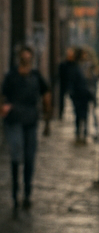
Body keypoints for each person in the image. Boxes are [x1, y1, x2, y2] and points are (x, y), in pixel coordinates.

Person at [1, 46, 51, 212]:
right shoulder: (11, 76)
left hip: (30, 121)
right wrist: (5, 107)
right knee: (16, 153)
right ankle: (16, 191)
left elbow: (46, 94)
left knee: (29, 157)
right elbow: (3, 96)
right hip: (14, 120)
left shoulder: (36, 76)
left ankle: (27, 192)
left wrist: (47, 119)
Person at [67, 48, 94, 145]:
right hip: (78, 94)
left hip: (85, 94)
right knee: (78, 114)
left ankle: (85, 133)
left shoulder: (87, 66)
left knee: (85, 114)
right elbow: (72, 80)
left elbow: (91, 80)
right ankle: (78, 133)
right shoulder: (75, 67)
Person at [57, 47, 78, 120]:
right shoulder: (64, 65)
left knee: (74, 101)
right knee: (62, 101)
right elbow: (60, 74)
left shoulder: (75, 65)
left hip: (72, 85)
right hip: (64, 84)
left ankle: (75, 116)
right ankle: (61, 114)